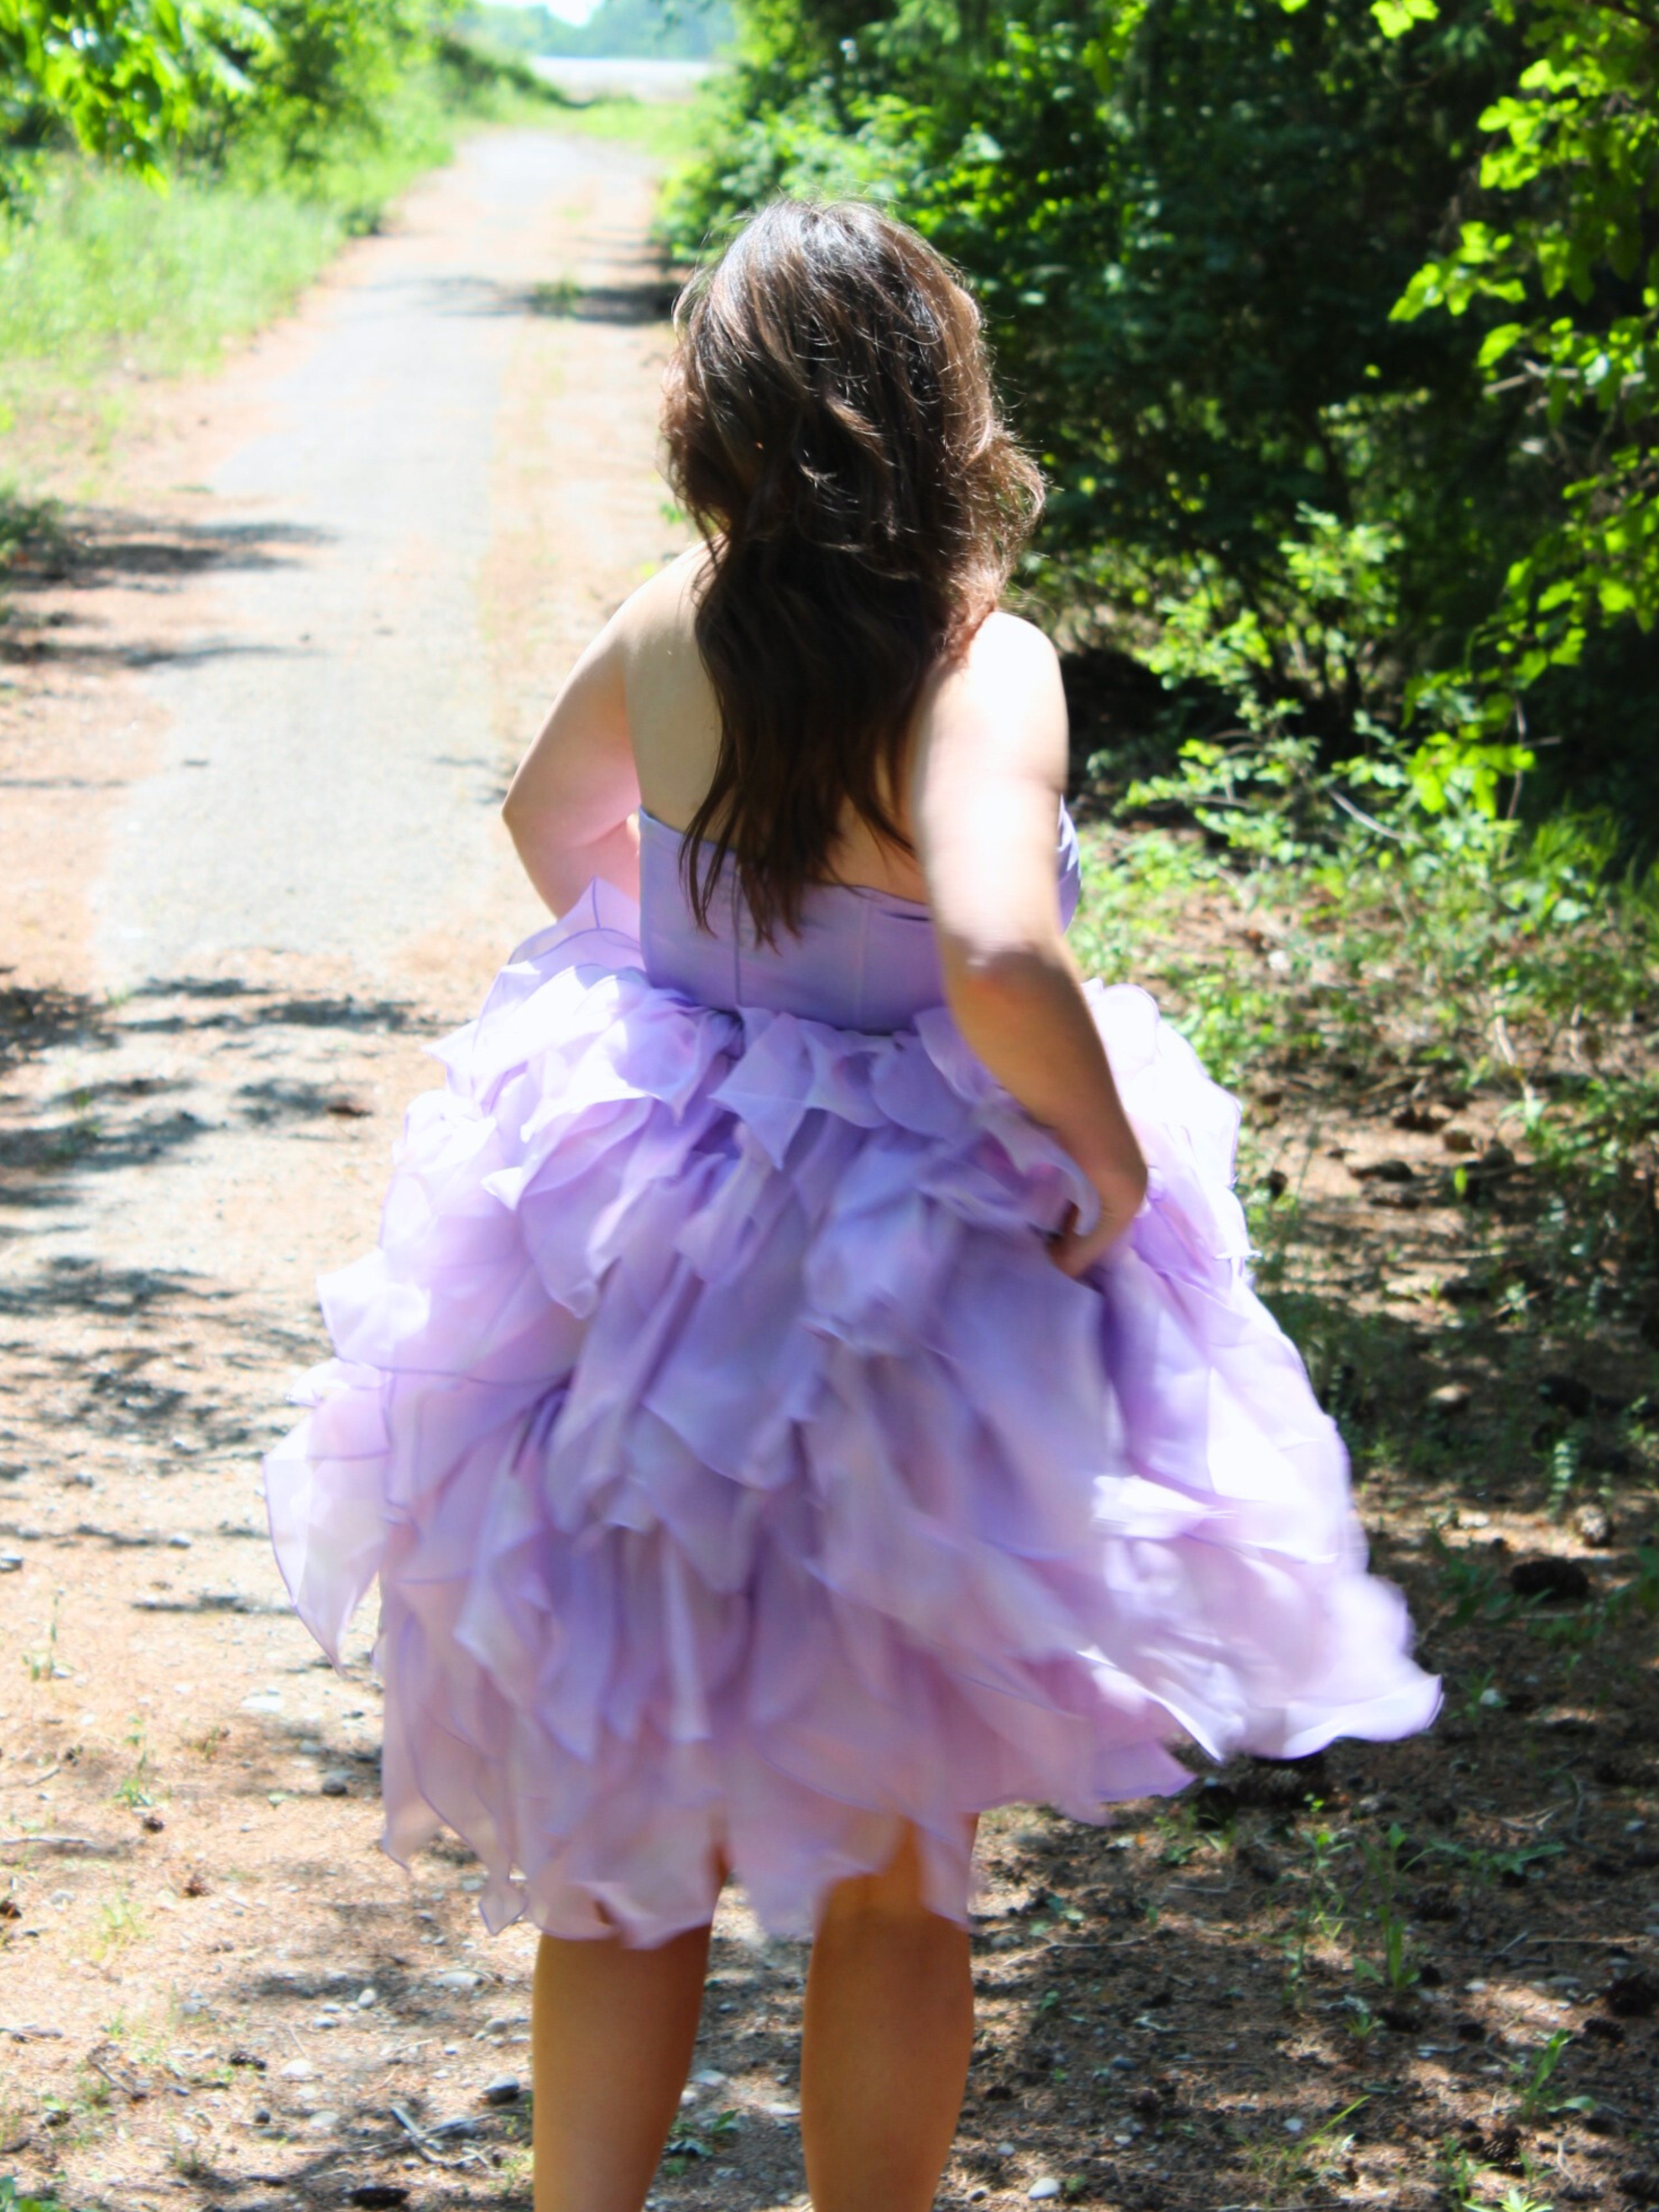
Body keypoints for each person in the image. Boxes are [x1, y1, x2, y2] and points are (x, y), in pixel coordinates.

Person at [264, 197, 1439, 2212]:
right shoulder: (983, 668)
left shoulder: (675, 619)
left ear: (712, 419)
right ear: (942, 407)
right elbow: (996, 945)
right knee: (905, 1872)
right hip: (909, 1292)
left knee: (631, 1852)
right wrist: (1112, 1149)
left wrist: (714, 991)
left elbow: (552, 826)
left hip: (650, 1275)